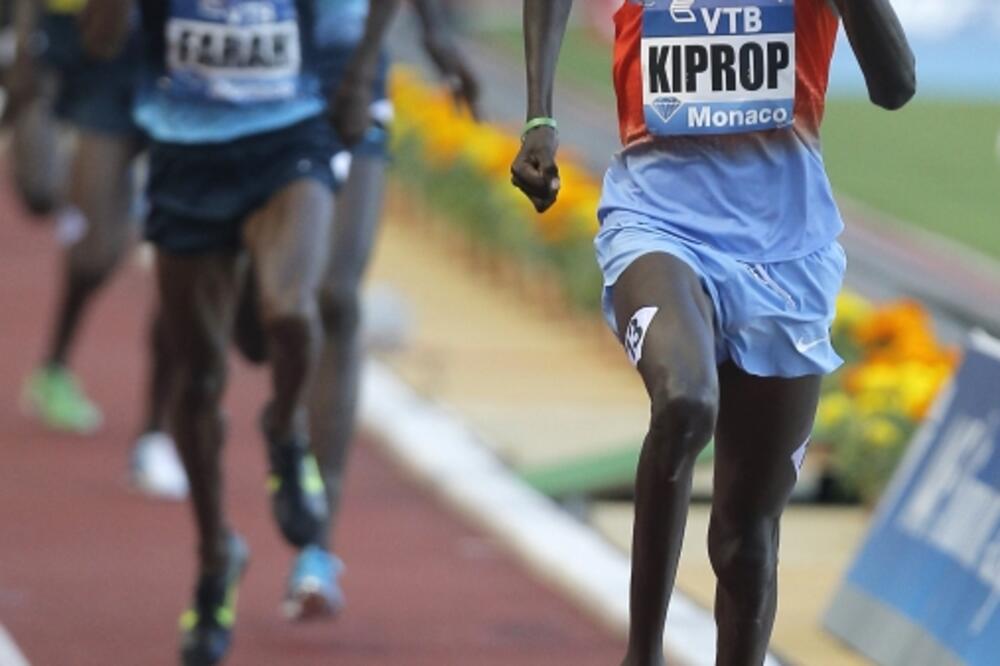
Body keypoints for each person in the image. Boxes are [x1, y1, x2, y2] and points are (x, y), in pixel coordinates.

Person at [511, 1, 915, 664]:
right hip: (658, 217)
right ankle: (641, 655)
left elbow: (895, 86)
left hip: (787, 245)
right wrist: (539, 114)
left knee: (746, 538)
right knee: (685, 400)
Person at [84, 0, 340, 661]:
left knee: (291, 313)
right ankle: (215, 554)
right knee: (197, 380)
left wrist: (362, 76)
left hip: (291, 137)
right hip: (185, 152)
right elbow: (102, 40)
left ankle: (285, 428)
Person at [276, 0, 481, 620]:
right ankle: (277, 436)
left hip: (351, 68)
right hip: (251, 79)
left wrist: (434, 35)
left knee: (337, 299)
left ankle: (317, 542)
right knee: (269, 311)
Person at [5, 0, 187, 499]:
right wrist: (25, 47)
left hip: (191, 69)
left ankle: (155, 433)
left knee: (183, 257)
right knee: (95, 256)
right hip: (105, 57)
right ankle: (55, 366)